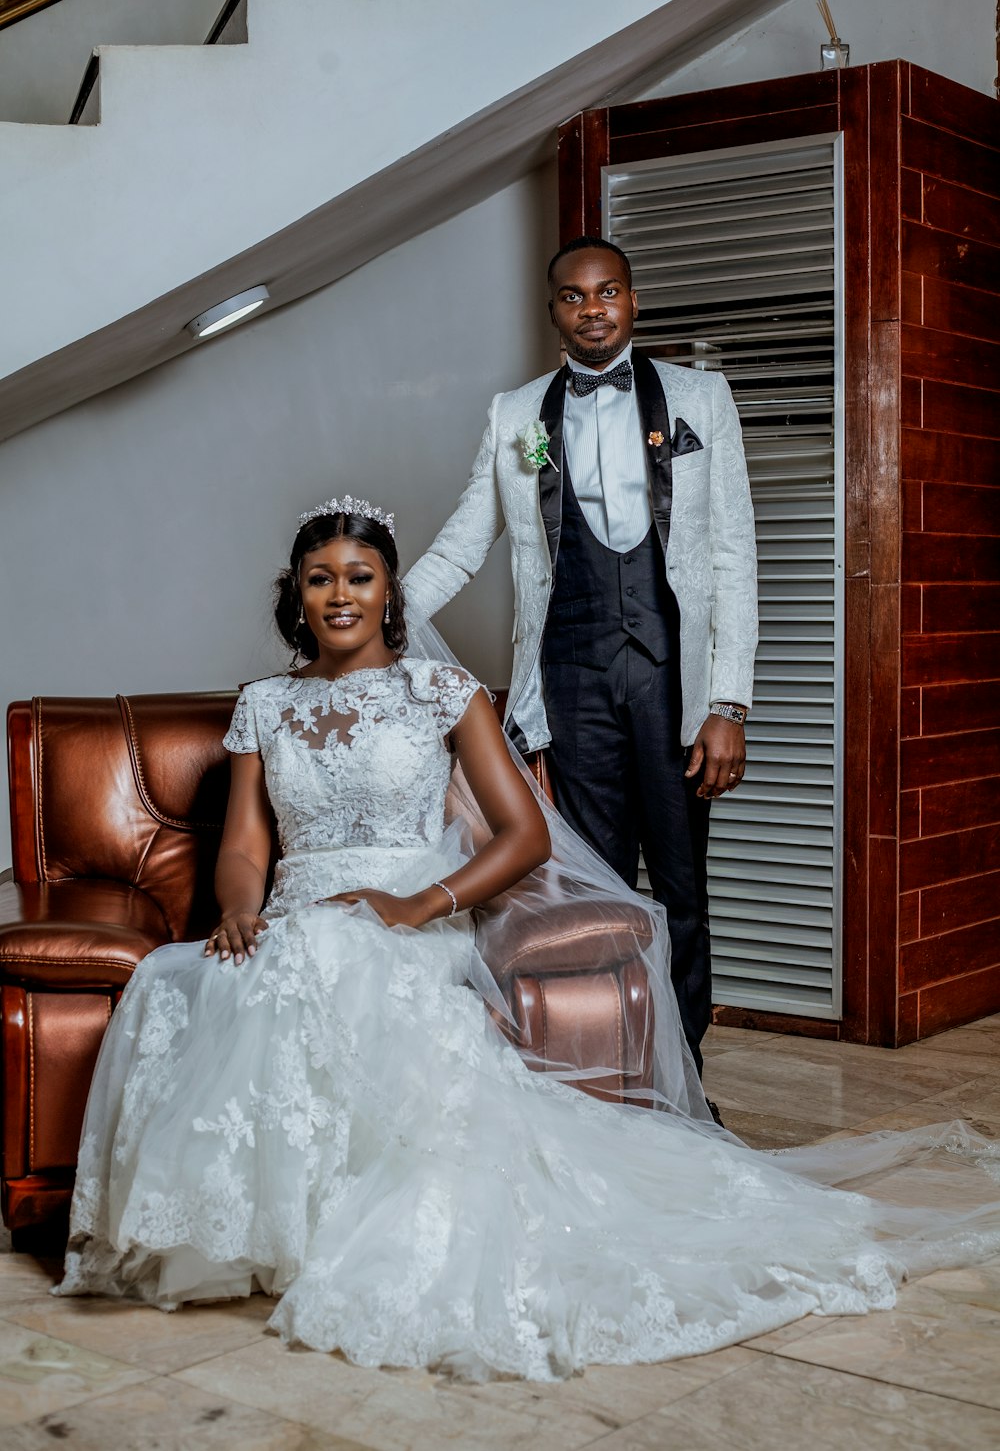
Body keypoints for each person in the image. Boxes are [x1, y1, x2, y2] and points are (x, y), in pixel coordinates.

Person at [56, 497, 1000, 1384]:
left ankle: (332, 1231)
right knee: (181, 983)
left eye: (359, 575)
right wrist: (235, 911)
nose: (339, 594)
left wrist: (415, 906)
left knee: (333, 963)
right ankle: (257, 1234)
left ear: (392, 593)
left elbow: (525, 835)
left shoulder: (441, 691)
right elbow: (248, 844)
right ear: (294, 598)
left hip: (407, 915)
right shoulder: (263, 703)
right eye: (319, 578)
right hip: (294, 912)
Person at [403, 236, 757, 1077]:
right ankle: (613, 1074)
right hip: (567, 676)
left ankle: (684, 1081)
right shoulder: (517, 415)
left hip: (674, 677)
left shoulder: (702, 397)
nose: (592, 309)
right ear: (553, 309)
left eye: (608, 293)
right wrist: (381, 619)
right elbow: (464, 542)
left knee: (680, 889)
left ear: (632, 301)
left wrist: (729, 703)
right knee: (592, 889)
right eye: (573, 296)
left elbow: (733, 552)